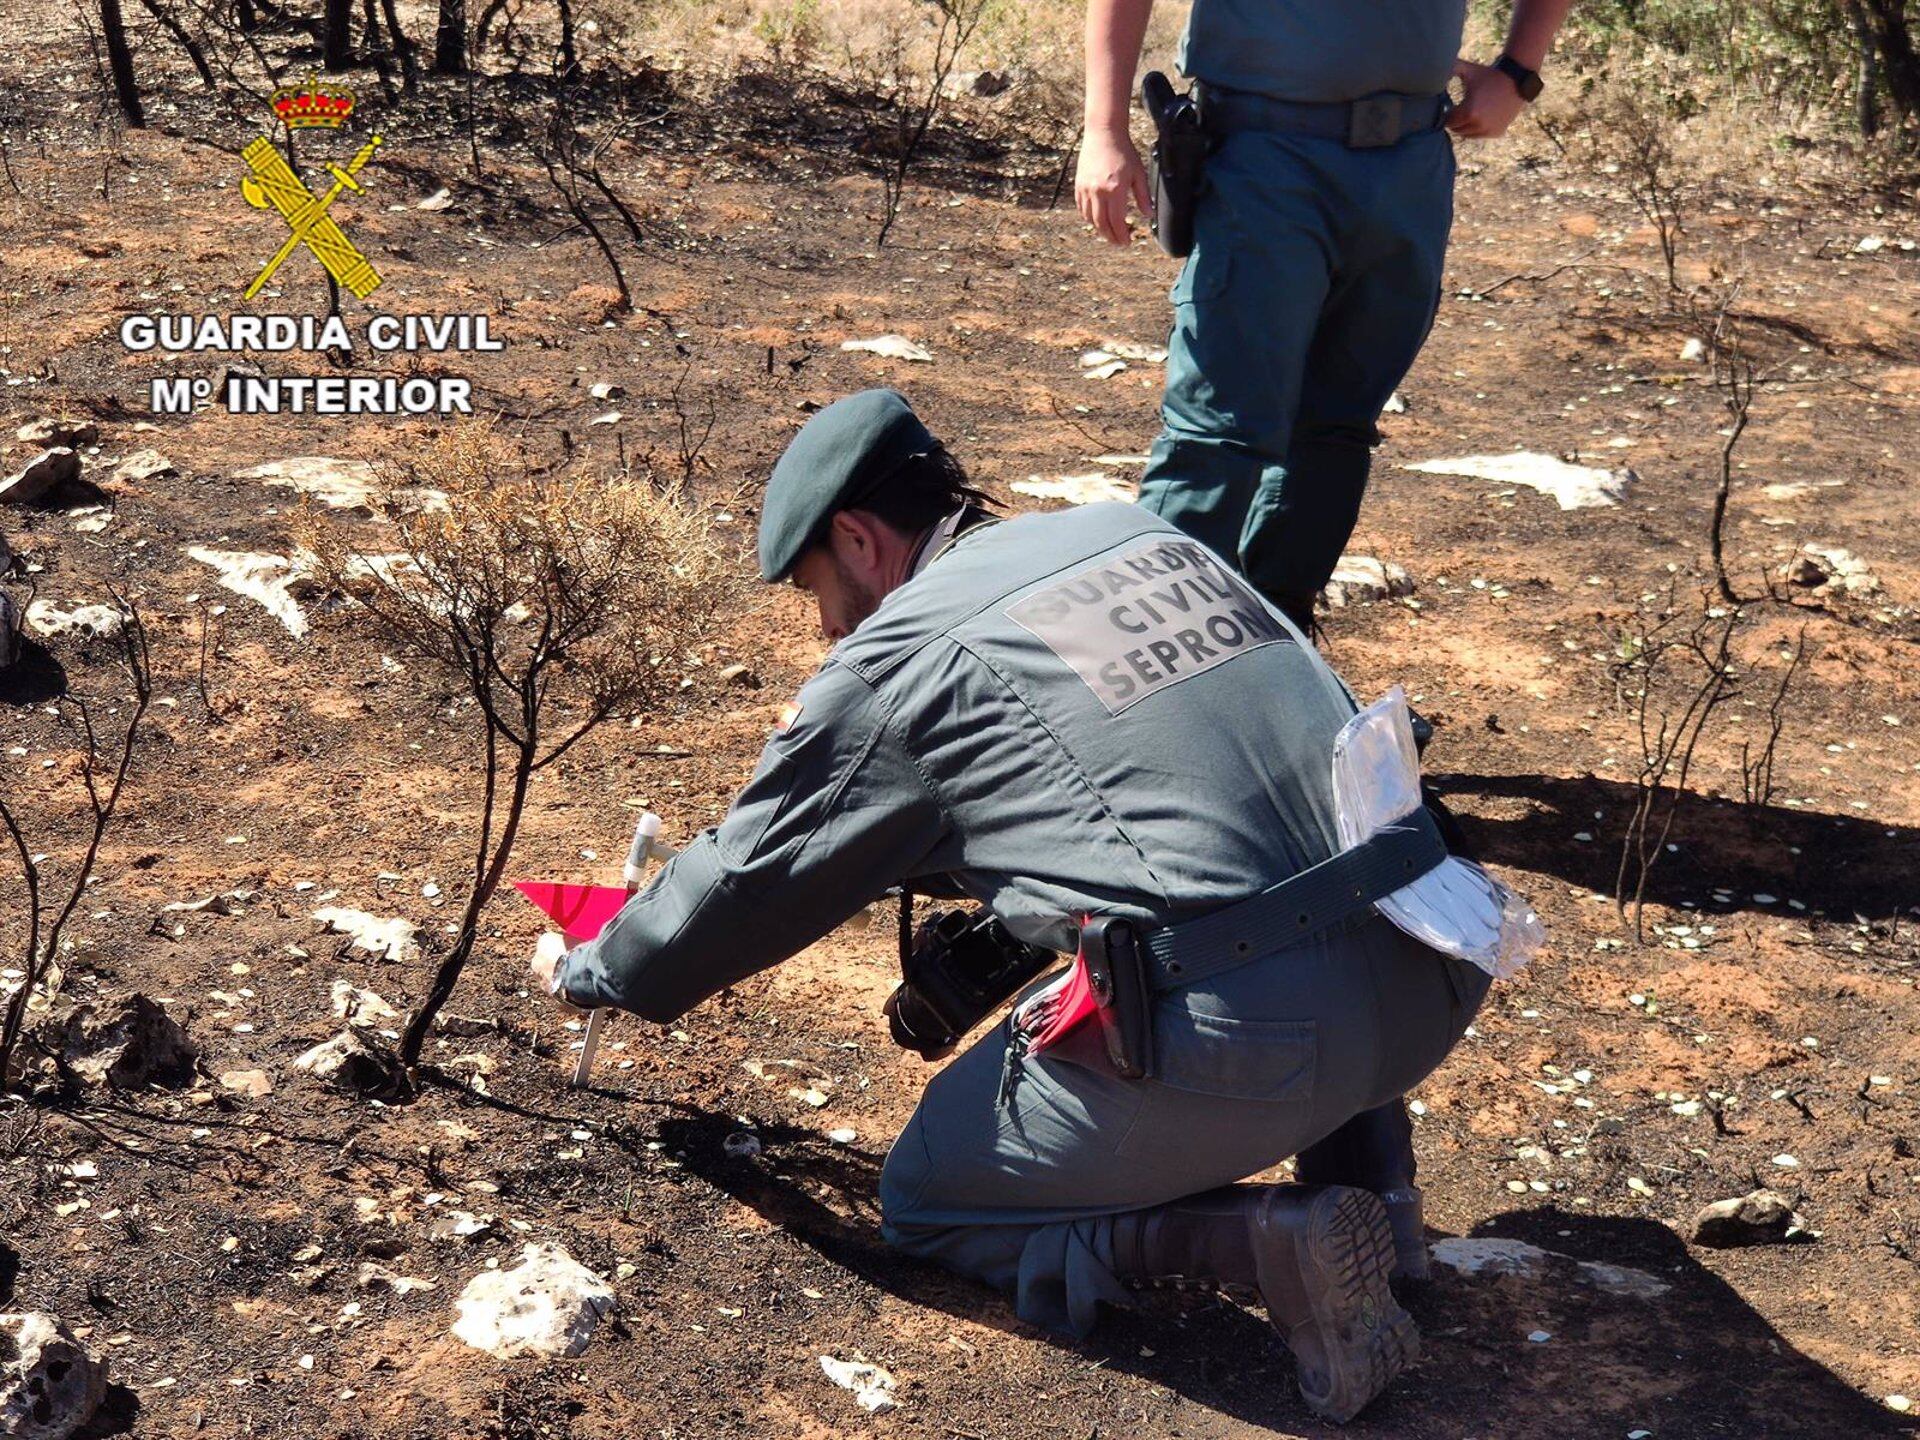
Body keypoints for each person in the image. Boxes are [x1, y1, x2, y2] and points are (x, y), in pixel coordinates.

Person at [537, 390, 1508, 1422]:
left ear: (860, 539)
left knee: (927, 1197)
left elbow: (741, 885)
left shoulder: (901, 656)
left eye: (816, 590)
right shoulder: (1133, 535)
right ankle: (1386, 1213)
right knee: (1278, 864)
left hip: (1265, 1040)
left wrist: (594, 964)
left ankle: (1268, 1240)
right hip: (1435, 958)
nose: (823, 628)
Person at [1076, 0, 1574, 635]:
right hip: (1262, 154)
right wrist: (1103, 129)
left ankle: (1274, 648)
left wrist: (1517, 72)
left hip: (1409, 164)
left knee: (1336, 429)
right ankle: (1143, 660)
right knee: (1219, 431)